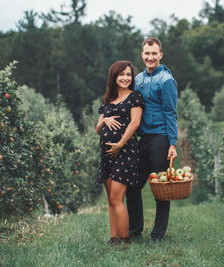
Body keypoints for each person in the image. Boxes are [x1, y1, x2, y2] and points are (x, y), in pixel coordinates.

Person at [126, 37, 178, 241]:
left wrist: (172, 144)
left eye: (154, 53)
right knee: (133, 185)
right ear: (142, 55)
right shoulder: (137, 79)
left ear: (161, 55)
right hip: (143, 139)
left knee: (160, 189)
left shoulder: (166, 80)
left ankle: (158, 234)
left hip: (160, 138)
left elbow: (171, 112)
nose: (150, 57)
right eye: (147, 53)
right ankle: (135, 230)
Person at [95, 60, 144, 245]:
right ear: (114, 77)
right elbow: (97, 128)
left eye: (128, 75)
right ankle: (113, 238)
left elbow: (135, 123)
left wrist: (120, 144)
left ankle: (125, 241)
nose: (125, 78)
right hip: (107, 154)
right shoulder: (107, 100)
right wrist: (105, 120)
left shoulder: (135, 97)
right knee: (110, 200)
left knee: (117, 198)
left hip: (125, 152)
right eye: (121, 74)